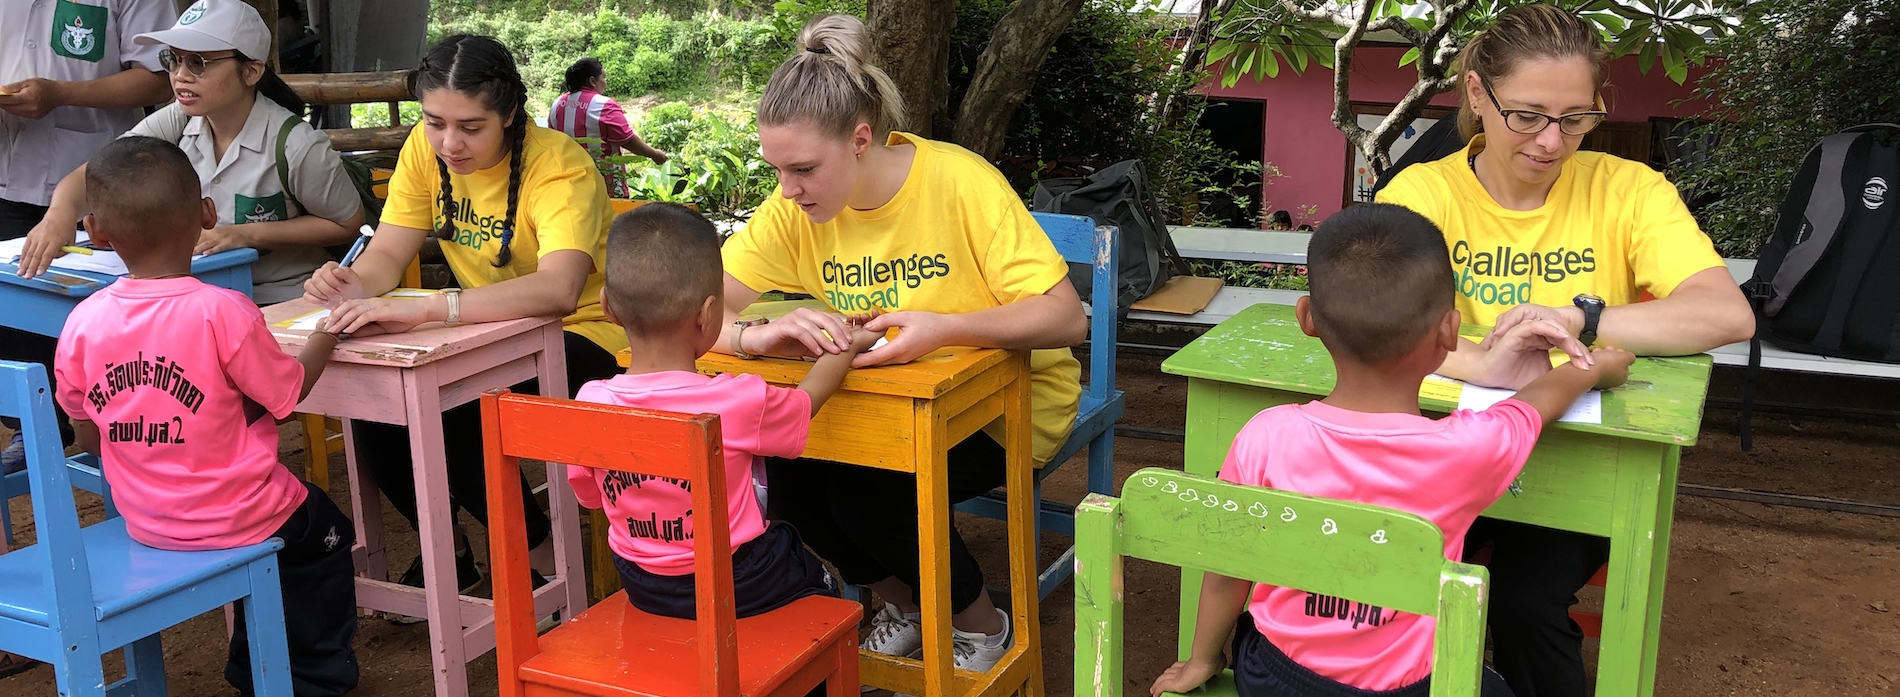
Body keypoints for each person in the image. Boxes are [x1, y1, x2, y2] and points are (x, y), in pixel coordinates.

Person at [1374, 6, 1754, 696]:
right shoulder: (1424, 193)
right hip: (1446, 443)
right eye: (1528, 115)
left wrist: (1581, 318)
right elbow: (1380, 322)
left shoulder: (1627, 189)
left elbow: (1726, 314)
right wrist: (1485, 363)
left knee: (1526, 604)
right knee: (1387, 573)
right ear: (1476, 93)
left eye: (1576, 117)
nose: (1552, 141)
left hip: (1578, 454)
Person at [716, 13, 1088, 674]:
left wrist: (943, 326)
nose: (787, 190)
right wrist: (760, 332)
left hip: (1004, 405)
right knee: (789, 478)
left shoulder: (959, 182)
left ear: (861, 138)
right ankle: (911, 604)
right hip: (873, 400)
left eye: (802, 168)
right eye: (776, 169)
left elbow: (1065, 318)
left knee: (868, 491)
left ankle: (981, 627)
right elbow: (696, 304)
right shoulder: (791, 209)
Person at [1149, 203, 1633, 697]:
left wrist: (1202, 659)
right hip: (1410, 689)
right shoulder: (1470, 448)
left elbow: (1228, 568)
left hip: (1275, 677)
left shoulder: (1265, 434)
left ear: (1307, 319)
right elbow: (1538, 401)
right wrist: (1594, 367)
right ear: (1449, 332)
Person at [302, 34, 625, 600]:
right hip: (485, 335)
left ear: (509, 115)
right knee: (377, 402)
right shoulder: (423, 151)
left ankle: (542, 559)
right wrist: (351, 283)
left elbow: (559, 290)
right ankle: (450, 555)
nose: (449, 142)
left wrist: (433, 307)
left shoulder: (559, 166)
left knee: (465, 411)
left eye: (471, 128)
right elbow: (385, 254)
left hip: (588, 336)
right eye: (434, 123)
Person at [52, 136, 358, 697]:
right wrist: (324, 336)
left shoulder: (82, 322)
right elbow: (285, 394)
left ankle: (252, 665)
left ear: (94, 231)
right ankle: (308, 679)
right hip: (242, 516)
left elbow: (86, 435)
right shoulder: (223, 311)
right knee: (328, 533)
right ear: (207, 214)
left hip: (146, 519)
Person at [569, 202, 877, 620]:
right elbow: (805, 403)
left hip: (644, 585)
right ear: (709, 314)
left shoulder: (590, 402)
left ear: (606, 306)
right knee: (826, 592)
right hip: (741, 580)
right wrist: (848, 345)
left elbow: (591, 496)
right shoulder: (736, 399)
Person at [19, 0, 366, 305]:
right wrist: (60, 214)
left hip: (284, 296)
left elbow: (346, 224)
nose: (180, 76)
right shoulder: (178, 119)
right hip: (200, 296)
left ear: (251, 71)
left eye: (198, 63)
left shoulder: (296, 144)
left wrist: (247, 234)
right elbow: (103, 171)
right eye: (174, 60)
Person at [0, 0, 175, 501]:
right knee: (11, 318)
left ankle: (126, 437)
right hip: (6, 173)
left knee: (110, 320)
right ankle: (32, 432)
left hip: (100, 182)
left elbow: (157, 77)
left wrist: (61, 94)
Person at [549, 57, 667, 197]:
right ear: (593, 81)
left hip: (569, 186)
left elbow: (553, 138)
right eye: (603, 77)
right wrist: (654, 154)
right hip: (607, 187)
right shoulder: (604, 105)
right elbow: (628, 140)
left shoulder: (557, 104)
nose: (606, 82)